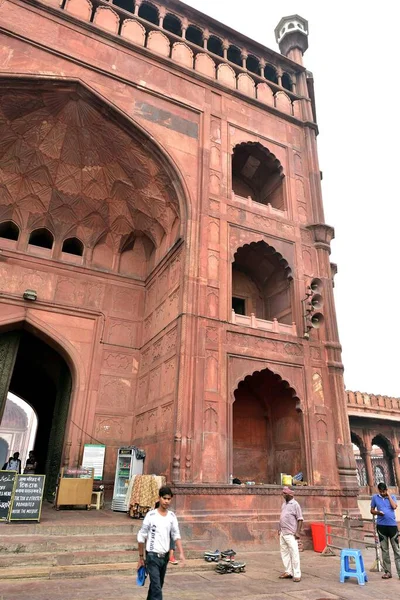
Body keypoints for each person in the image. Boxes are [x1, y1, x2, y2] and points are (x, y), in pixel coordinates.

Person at [137, 486, 185, 599]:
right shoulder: (151, 516)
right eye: (164, 498)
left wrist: (181, 553)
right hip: (152, 556)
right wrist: (141, 557)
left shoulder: (172, 517)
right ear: (159, 498)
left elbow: (176, 535)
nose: (166, 501)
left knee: (157, 586)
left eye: (169, 499)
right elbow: (141, 537)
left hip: (164, 557)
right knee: (157, 588)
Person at [370, 481, 400, 579]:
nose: (383, 493)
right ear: (379, 490)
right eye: (381, 491)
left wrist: (388, 496)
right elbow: (372, 510)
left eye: (384, 491)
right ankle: (388, 572)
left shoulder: (392, 497)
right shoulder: (375, 498)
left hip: (392, 526)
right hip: (381, 526)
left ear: (386, 490)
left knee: (396, 549)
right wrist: (378, 512)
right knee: (385, 550)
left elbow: (394, 506)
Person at [278, 486, 303, 583]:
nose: (283, 495)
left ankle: (297, 574)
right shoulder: (284, 504)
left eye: (284, 493)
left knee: (294, 553)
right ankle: (288, 571)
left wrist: (298, 532)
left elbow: (300, 519)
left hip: (291, 533)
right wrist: (279, 528)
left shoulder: (295, 504)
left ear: (289, 494)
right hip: (283, 532)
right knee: (284, 552)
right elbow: (282, 516)